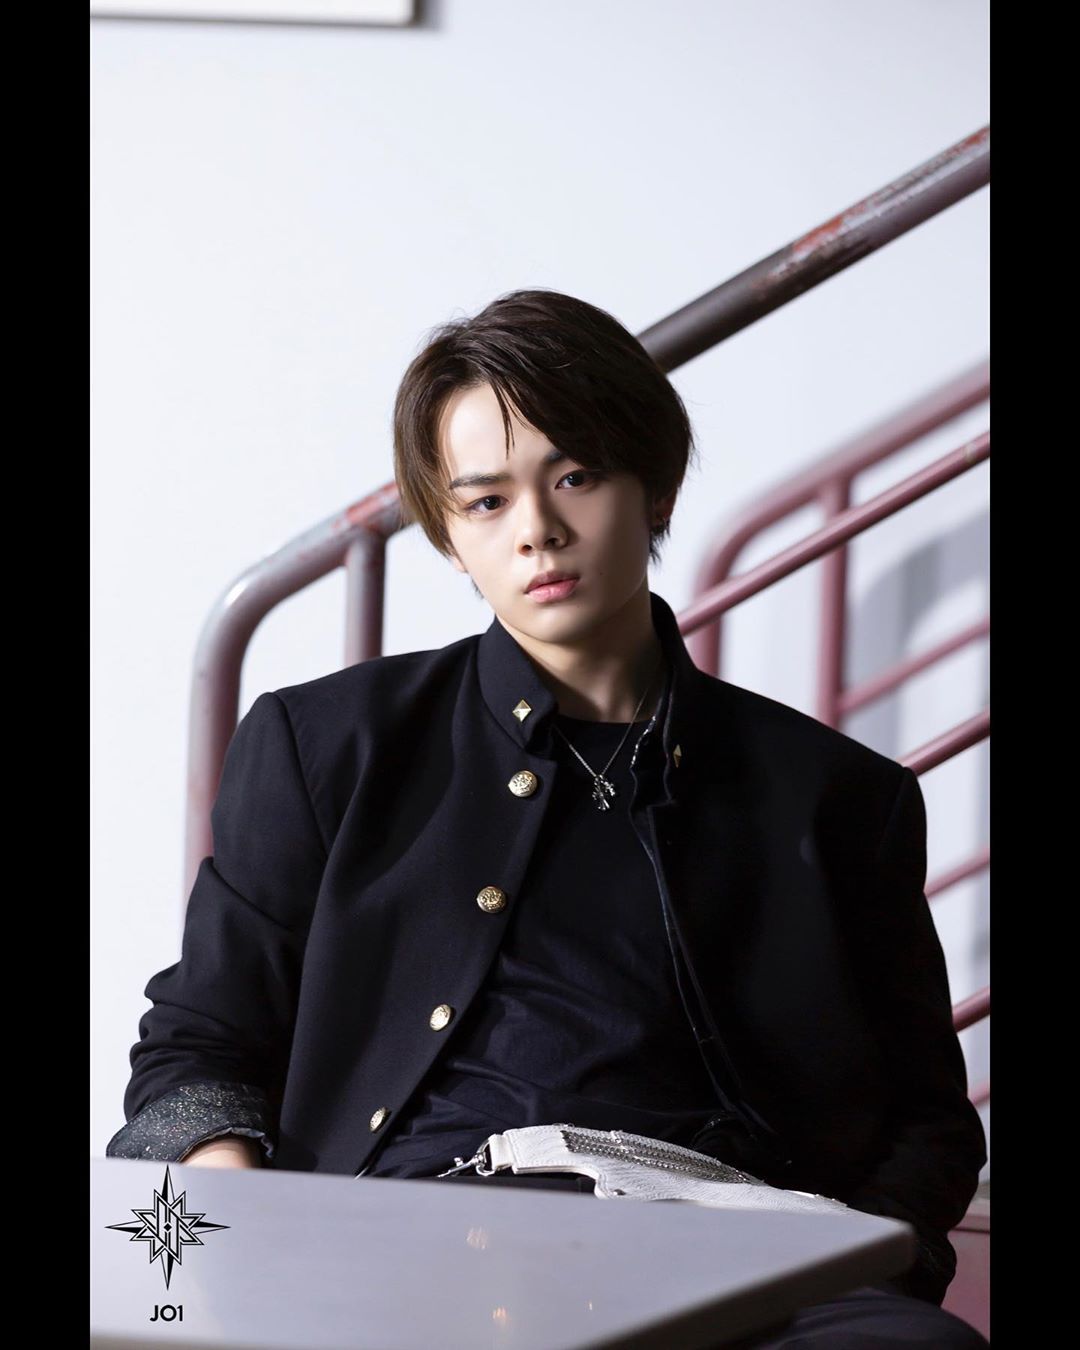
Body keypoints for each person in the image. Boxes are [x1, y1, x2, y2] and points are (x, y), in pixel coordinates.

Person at [106, 289, 988, 1346]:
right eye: (486, 502)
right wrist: (243, 1236)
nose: (537, 532)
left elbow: (928, 1122)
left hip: (743, 1254)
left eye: (576, 477)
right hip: (413, 1239)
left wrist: (867, 1256)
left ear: (655, 487)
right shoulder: (327, 745)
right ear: (448, 535)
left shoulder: (836, 793)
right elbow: (198, 1046)